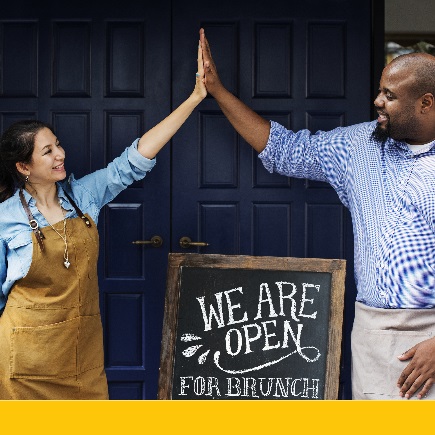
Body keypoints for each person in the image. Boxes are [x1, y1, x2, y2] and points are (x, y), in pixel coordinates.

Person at [199, 28, 435, 400]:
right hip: (372, 332)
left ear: (426, 103)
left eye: (390, 95)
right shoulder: (358, 146)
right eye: (380, 90)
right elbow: (284, 151)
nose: (377, 101)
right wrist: (217, 91)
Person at [0, 41, 206, 400]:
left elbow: (133, 161)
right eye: (47, 151)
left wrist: (195, 98)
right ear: (24, 166)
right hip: (24, 367)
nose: (60, 155)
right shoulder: (4, 220)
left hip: (81, 358)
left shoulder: (83, 197)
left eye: (58, 145)